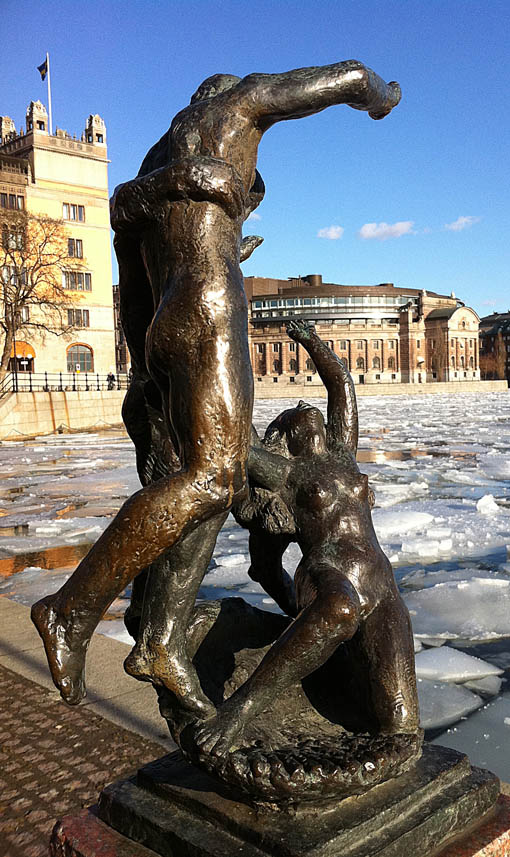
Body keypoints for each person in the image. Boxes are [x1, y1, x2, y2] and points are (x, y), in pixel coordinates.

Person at [31, 62, 402, 710]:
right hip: (208, 312)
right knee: (211, 480)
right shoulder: (234, 112)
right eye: (249, 189)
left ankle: (161, 640)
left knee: (207, 480)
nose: (248, 196)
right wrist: (377, 94)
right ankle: (70, 609)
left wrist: (145, 363)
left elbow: (130, 270)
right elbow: (336, 80)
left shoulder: (154, 165)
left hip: (167, 322)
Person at [194, 320, 419, 758]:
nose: (303, 405)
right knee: (339, 609)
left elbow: (342, 387)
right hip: (327, 576)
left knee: (400, 724)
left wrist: (311, 341)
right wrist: (214, 362)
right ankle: (240, 710)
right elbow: (235, 441)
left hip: (380, 583)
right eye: (293, 412)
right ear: (286, 435)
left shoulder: (342, 452)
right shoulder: (286, 474)